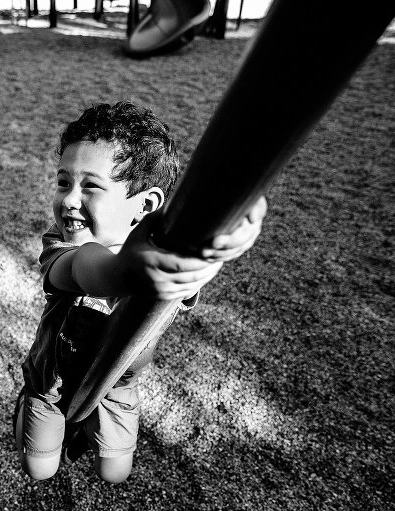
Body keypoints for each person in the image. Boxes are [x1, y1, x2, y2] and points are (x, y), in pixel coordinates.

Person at [15, 102, 267, 484]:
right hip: (50, 381)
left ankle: (89, 427)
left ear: (145, 205)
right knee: (40, 469)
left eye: (90, 186)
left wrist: (217, 245)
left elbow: (188, 273)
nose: (68, 199)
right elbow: (85, 269)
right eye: (63, 181)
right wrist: (127, 270)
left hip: (116, 382)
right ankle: (27, 411)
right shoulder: (62, 246)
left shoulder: (163, 260)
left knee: (115, 473)